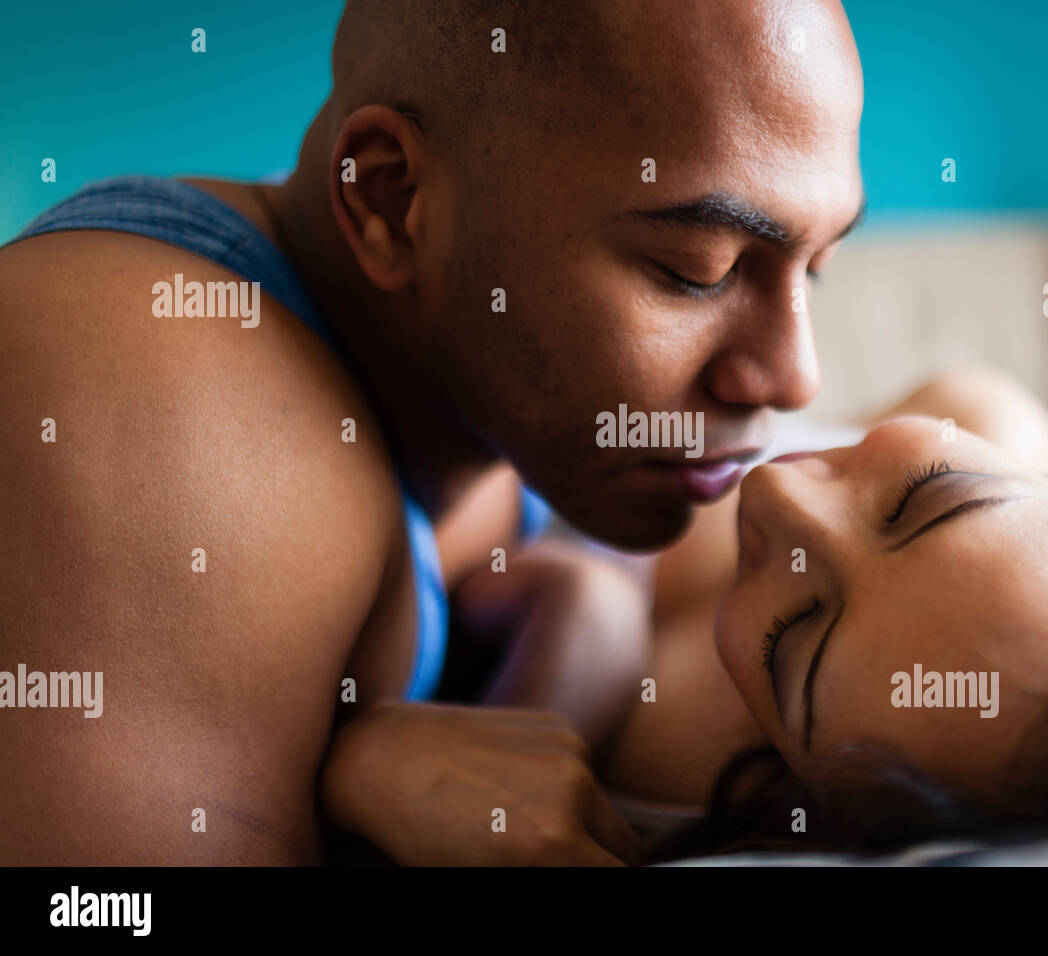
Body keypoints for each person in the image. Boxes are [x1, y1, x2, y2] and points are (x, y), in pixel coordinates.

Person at [0, 0, 865, 864]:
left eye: (818, 270)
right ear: (392, 198)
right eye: (696, 272)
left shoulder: (472, 367)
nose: (795, 377)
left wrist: (585, 618)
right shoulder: (166, 414)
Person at [542, 369, 1048, 859]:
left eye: (794, 643)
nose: (777, 495)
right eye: (930, 495)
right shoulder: (977, 416)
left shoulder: (666, 752)